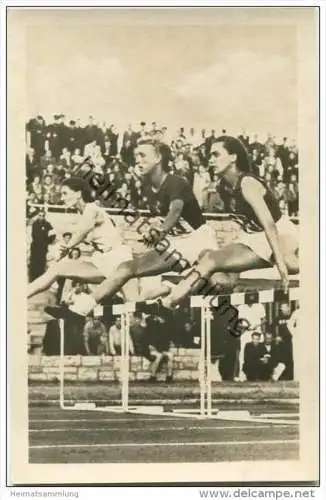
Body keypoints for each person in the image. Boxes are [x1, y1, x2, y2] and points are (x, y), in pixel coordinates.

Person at [46, 139, 236, 321]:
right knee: (126, 268)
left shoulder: (177, 182)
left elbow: (175, 211)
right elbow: (162, 218)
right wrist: (153, 232)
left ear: (158, 158)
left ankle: (187, 285)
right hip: (178, 244)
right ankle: (81, 309)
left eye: (143, 155)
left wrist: (159, 231)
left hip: (199, 238)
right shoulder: (146, 188)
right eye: (136, 155)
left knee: (222, 284)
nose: (138, 159)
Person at [161, 135, 299, 308]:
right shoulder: (222, 187)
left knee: (290, 264)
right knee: (209, 259)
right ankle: (169, 299)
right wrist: (233, 262)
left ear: (233, 158)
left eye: (216, 155)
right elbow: (245, 222)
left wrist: (280, 266)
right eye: (210, 155)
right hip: (252, 236)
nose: (210, 160)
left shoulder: (248, 183)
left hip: (278, 231)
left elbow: (269, 225)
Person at [27, 177, 138, 304]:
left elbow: (83, 231)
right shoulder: (83, 213)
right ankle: (21, 296)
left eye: (65, 193)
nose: (62, 198)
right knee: (58, 269)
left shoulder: (92, 209)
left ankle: (157, 306)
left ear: (78, 194)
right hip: (102, 260)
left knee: (133, 303)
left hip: (119, 259)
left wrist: (66, 247)